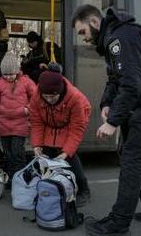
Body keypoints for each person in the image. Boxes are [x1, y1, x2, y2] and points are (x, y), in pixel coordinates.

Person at [72, 5, 141, 235]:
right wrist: (106, 104)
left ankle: (118, 223)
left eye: (82, 32)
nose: (83, 39)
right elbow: (115, 79)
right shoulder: (114, 39)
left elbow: (131, 84)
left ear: (93, 21)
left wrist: (112, 122)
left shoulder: (122, 38)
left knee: (132, 158)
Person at [29, 63, 92, 207]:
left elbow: (77, 128)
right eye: (46, 96)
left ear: (60, 91)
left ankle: (84, 190)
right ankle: (55, 188)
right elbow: (36, 122)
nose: (49, 100)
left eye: (53, 96)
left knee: (69, 157)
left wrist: (66, 151)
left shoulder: (74, 98)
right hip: (50, 124)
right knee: (47, 154)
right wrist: (37, 144)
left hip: (70, 124)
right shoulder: (36, 96)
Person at [0, 52, 36, 183]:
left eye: (11, 74)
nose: (8, 77)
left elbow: (36, 98)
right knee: (8, 154)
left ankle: (19, 178)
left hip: (20, 124)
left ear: (17, 71)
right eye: (5, 74)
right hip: (3, 125)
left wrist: (28, 110)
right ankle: (11, 177)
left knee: (17, 153)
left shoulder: (26, 82)